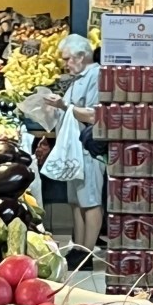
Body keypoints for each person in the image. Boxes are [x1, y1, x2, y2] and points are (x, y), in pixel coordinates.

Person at [46, 34, 104, 271]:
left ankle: (87, 252)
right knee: (76, 202)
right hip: (73, 150)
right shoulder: (76, 79)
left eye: (69, 59)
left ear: (82, 56)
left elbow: (93, 115)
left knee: (90, 201)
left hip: (88, 149)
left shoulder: (96, 75)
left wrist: (62, 106)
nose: (66, 63)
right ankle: (78, 248)